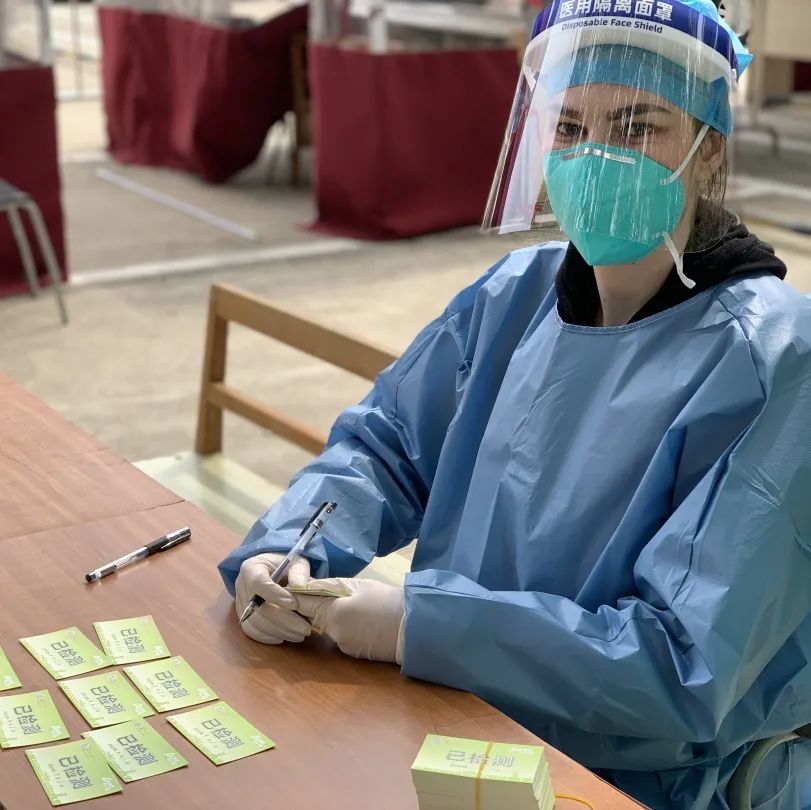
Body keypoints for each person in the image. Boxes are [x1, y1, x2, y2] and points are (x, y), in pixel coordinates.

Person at [219, 0, 811, 806]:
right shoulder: (512, 295)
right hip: (459, 715)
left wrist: (419, 625)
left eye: (637, 127)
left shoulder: (774, 360)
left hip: (646, 779)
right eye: (568, 128)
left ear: (708, 150)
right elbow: (387, 446)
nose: (595, 157)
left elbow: (678, 667)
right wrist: (293, 549)